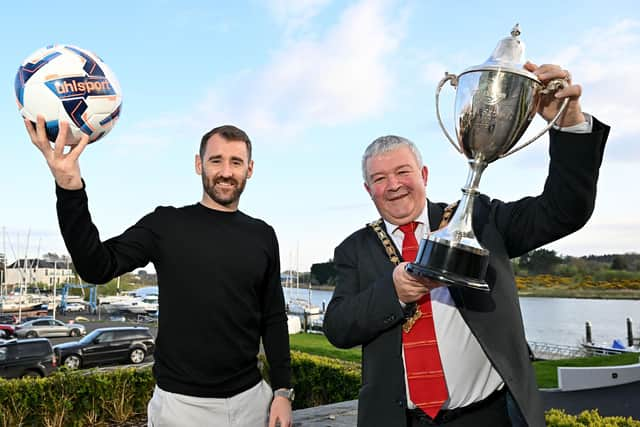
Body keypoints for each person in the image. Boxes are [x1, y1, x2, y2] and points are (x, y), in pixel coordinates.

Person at [323, 62, 610, 427]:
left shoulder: (478, 218)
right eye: (379, 178)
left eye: (403, 172)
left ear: (424, 175)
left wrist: (567, 123)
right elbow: (338, 328)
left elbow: (563, 212)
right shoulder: (355, 249)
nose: (393, 185)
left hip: (485, 417)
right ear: (368, 190)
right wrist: (392, 290)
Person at [25, 120, 294, 427]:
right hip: (180, 407)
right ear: (198, 164)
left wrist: (283, 392)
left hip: (252, 402)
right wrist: (69, 186)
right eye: (215, 160)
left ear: (250, 169)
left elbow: (273, 317)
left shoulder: (262, 235)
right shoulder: (165, 225)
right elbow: (96, 266)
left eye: (236, 162)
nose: (226, 172)